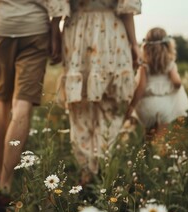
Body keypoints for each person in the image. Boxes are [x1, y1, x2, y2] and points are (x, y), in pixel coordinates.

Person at [0, 0, 69, 203]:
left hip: (1, 27)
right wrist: (56, 30)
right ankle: (4, 184)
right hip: (36, 30)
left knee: (1, 102)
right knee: (22, 105)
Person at [57, 0, 142, 183]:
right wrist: (134, 44)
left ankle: (87, 170)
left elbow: (57, 7)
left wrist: (53, 33)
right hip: (110, 32)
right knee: (109, 106)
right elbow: (127, 9)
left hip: (77, 32)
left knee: (80, 108)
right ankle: (103, 166)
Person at [125, 27, 188, 143]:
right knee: (160, 139)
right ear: (167, 45)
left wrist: (131, 106)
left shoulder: (144, 66)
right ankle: (158, 154)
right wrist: (171, 89)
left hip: (147, 107)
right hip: (165, 106)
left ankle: (147, 155)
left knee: (148, 137)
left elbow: (140, 88)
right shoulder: (170, 64)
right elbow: (177, 83)